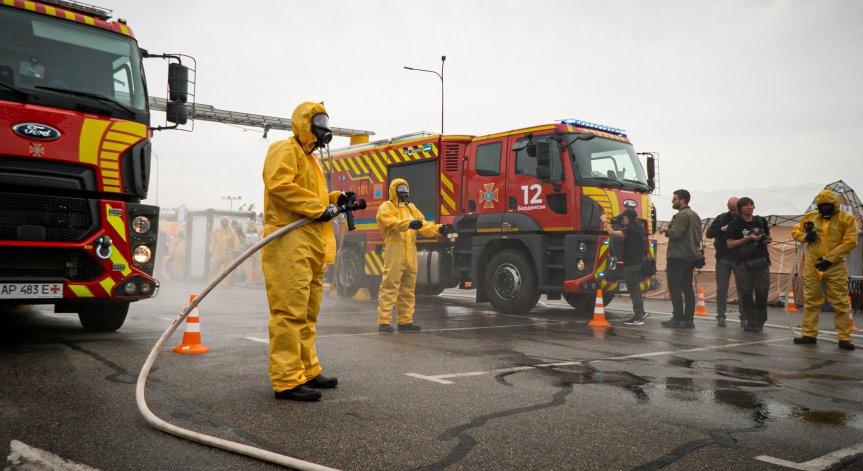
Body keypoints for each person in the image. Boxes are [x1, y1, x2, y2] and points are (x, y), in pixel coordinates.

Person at [261, 101, 354, 401]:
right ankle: (287, 380)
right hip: (289, 243)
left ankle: (307, 369)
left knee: (307, 313)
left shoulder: (312, 160)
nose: (324, 131)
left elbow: (318, 198)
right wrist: (319, 208)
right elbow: (280, 185)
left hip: (310, 244)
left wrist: (339, 199)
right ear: (306, 125)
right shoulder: (284, 150)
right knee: (289, 312)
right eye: (319, 124)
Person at [376, 178, 449, 333]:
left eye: (405, 189)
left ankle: (405, 322)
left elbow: (423, 225)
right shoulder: (386, 207)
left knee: (408, 290)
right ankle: (384, 322)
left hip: (410, 253)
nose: (404, 192)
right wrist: (408, 224)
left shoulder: (411, 208)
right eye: (400, 189)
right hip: (394, 253)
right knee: (390, 287)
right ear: (394, 190)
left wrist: (438, 229)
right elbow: (391, 222)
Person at [791, 189, 859, 350]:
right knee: (811, 301)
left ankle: (844, 338)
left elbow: (850, 241)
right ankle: (808, 334)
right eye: (822, 206)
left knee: (840, 302)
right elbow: (796, 230)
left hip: (835, 266)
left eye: (828, 206)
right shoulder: (811, 217)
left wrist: (830, 259)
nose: (825, 209)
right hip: (813, 265)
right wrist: (805, 236)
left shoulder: (846, 219)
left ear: (834, 205)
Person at [726, 197, 772, 333]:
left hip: (761, 261)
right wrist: (749, 238)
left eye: (751, 204)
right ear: (740, 208)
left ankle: (760, 321)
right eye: (746, 205)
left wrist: (765, 239)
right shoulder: (735, 224)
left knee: (762, 292)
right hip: (743, 263)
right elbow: (730, 243)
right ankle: (749, 320)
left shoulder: (760, 221)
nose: (749, 207)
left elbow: (768, 239)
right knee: (745, 293)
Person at [659, 189, 702, 329]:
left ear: (682, 200)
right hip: (691, 256)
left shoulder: (682, 215)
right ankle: (689, 320)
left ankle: (677, 318)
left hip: (677, 256)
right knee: (687, 289)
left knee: (675, 288)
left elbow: (676, 234)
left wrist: (666, 230)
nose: (673, 201)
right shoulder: (695, 215)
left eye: (675, 199)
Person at [601, 209, 649, 325]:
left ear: (628, 218)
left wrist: (605, 222)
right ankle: (641, 313)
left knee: (633, 291)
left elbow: (612, 233)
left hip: (631, 263)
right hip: (637, 262)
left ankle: (638, 317)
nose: (623, 220)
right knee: (636, 289)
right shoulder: (639, 227)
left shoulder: (631, 229)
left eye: (624, 218)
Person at [705, 197, 742, 327]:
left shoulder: (746, 219)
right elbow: (709, 234)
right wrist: (722, 229)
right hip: (723, 258)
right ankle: (721, 315)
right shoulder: (721, 218)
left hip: (740, 259)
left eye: (735, 209)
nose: (733, 212)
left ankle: (744, 317)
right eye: (730, 209)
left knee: (743, 288)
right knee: (722, 288)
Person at [209, 216, 240, 280]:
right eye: (223, 221)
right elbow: (213, 241)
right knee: (214, 267)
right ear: (221, 222)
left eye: (226, 221)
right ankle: (211, 282)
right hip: (218, 253)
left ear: (228, 222)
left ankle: (225, 284)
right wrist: (211, 250)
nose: (224, 223)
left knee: (227, 269)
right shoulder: (217, 230)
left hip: (228, 253)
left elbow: (236, 240)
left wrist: (236, 249)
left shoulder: (232, 231)